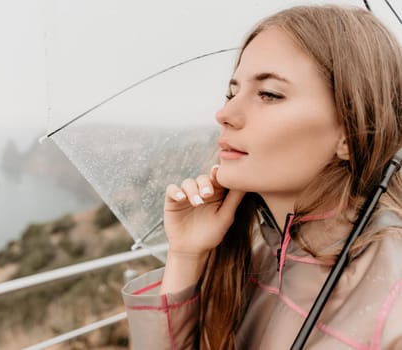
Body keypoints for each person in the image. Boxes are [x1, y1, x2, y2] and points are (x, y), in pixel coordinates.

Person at [121, 5, 402, 350]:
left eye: (269, 94)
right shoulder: (258, 259)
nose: (224, 114)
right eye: (232, 92)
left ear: (350, 131)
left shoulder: (392, 308)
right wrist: (185, 257)